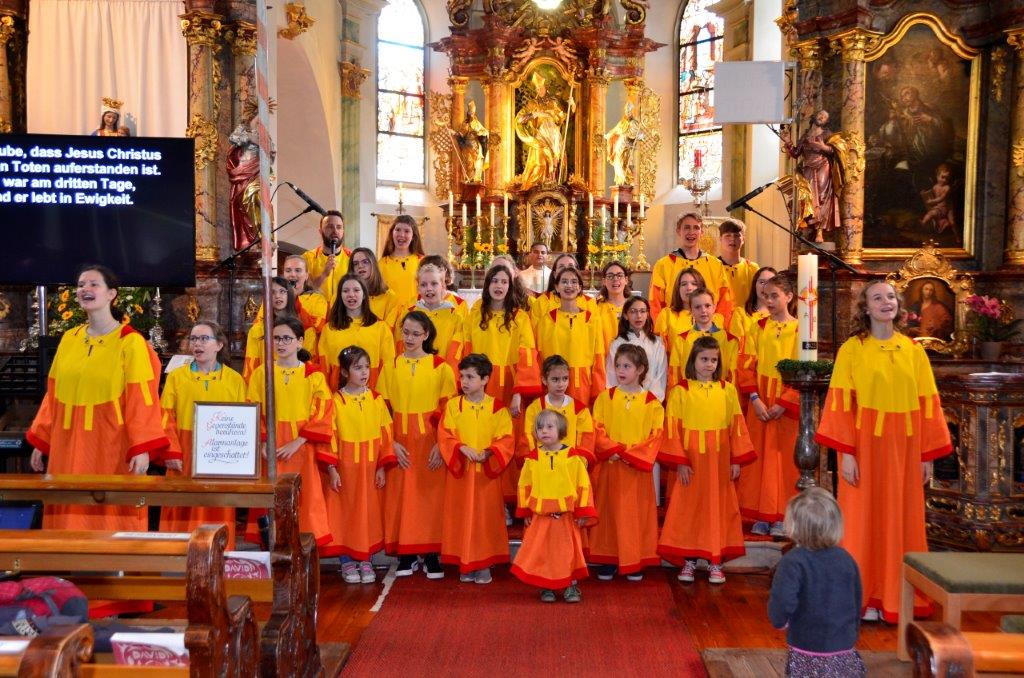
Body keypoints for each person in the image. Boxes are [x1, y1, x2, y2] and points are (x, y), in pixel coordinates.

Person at [816, 280, 951, 623]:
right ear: (865, 308)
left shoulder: (913, 350)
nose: (886, 302)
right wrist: (847, 453)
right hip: (863, 448)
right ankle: (863, 594)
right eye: (877, 298)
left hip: (905, 449)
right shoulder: (852, 349)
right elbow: (840, 402)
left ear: (899, 305)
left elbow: (929, 405)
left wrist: (926, 456)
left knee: (900, 521)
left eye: (890, 296)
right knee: (861, 521)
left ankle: (895, 596)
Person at [27, 264, 169, 530]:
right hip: (67, 443)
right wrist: (42, 439)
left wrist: (142, 447)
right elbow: (53, 394)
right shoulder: (69, 338)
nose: (85, 289)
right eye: (81, 285)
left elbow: (142, 398)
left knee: (109, 514)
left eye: (94, 284)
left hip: (110, 444)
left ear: (111, 294)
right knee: (67, 510)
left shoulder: (130, 342)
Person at [658, 336, 755, 584]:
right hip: (690, 464)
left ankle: (715, 561)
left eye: (714, 360)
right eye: (704, 359)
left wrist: (736, 460)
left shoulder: (727, 390)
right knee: (689, 509)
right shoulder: (680, 391)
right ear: (693, 360)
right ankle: (688, 560)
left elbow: (737, 426)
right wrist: (680, 462)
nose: (709, 364)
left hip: (718, 462)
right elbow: (671, 430)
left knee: (716, 509)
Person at [378, 311, 457, 579]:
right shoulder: (391, 366)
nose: (409, 338)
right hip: (400, 440)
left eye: (415, 333)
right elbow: (382, 409)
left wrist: (441, 444)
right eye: (406, 333)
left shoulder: (441, 367)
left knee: (430, 497)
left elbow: (449, 410)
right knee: (402, 497)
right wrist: (390, 443)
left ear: (426, 335)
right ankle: (407, 554)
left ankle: (432, 553)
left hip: (430, 441)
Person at [245, 316, 334, 549]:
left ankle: (302, 551)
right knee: (272, 498)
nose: (281, 343)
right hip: (271, 447)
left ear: (300, 342)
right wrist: (263, 441)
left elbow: (323, 411)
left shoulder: (313, 375)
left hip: (302, 447)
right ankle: (273, 551)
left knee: (304, 497)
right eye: (276, 338)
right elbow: (254, 408)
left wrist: (299, 441)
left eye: (287, 338)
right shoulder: (261, 373)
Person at [160, 321, 246, 544]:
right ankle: (176, 555)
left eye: (204, 339)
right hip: (184, 451)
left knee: (217, 506)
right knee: (181, 506)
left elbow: (242, 423)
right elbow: (165, 417)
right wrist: (172, 452)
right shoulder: (177, 377)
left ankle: (218, 551)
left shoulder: (234, 380)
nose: (197, 344)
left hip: (220, 457)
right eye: (194, 339)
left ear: (219, 345)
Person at [768, 488, 866, 676]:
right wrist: (852, 632)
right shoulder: (846, 559)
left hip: (806, 648)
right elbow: (856, 599)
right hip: (843, 648)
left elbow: (782, 600)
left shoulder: (792, 561)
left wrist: (779, 621)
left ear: (793, 525)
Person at [587, 344, 663, 581]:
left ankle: (635, 558)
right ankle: (608, 558)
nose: (620, 370)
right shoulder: (605, 398)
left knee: (634, 515)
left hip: (636, 470)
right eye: (618, 365)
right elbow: (596, 428)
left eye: (627, 366)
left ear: (640, 369)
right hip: (612, 466)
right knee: (608, 512)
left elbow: (656, 435)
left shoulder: (652, 403)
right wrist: (612, 450)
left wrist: (632, 455)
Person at [438, 354, 515, 584]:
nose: (464, 381)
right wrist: (461, 448)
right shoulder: (453, 406)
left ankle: (483, 565)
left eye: (470, 377)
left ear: (485, 379)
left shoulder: (498, 408)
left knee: (485, 519)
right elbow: (445, 434)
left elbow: (506, 438)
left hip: (485, 476)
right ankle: (465, 562)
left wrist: (489, 452)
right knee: (462, 517)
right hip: (461, 474)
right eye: (462, 376)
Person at [736, 275, 801, 537]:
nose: (769, 301)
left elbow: (802, 368)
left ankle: (782, 514)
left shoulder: (800, 329)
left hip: (786, 402)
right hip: (761, 401)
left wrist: (785, 402)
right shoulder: (757, 327)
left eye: (775, 296)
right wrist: (755, 399)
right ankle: (760, 513)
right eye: (766, 296)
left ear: (789, 297)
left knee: (783, 460)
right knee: (759, 459)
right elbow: (745, 365)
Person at [511, 410, 597, 603]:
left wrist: (582, 512)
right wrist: (525, 511)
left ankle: (571, 586)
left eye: (549, 427)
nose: (544, 431)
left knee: (567, 552)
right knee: (544, 552)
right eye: (539, 427)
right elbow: (524, 486)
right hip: (541, 517)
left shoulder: (573, 457)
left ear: (561, 430)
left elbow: (583, 485)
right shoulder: (532, 459)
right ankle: (546, 586)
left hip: (566, 517)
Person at [322, 345, 389, 585]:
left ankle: (365, 558)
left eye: (366, 367)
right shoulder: (335, 401)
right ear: (344, 372)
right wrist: (332, 469)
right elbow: (329, 436)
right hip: (345, 467)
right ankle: (346, 559)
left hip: (369, 467)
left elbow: (386, 434)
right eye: (357, 367)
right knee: (345, 512)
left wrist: (381, 466)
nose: (364, 372)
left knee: (366, 512)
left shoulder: (376, 399)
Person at [535, 267, 606, 406]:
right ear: (557, 287)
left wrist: (597, 391)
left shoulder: (591, 320)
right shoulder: (547, 320)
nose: (569, 286)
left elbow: (599, 358)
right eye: (564, 281)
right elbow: (540, 357)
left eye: (574, 282)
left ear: (580, 288)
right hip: (554, 383)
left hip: (583, 383)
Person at [648, 212, 732, 321]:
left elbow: (724, 302)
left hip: (709, 326)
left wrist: (718, 326)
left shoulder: (715, 264)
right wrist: (661, 327)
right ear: (678, 231)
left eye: (696, 228)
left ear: (702, 232)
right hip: (674, 326)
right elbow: (655, 303)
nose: (691, 232)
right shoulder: (663, 265)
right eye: (687, 227)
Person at [318, 275, 394, 391]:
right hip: (338, 397)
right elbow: (324, 369)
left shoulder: (381, 328)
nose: (351, 294)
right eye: (345, 291)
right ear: (340, 296)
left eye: (356, 290)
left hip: (371, 396)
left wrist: (379, 398)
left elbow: (388, 369)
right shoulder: (329, 329)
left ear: (364, 295)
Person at [782, 110, 841, 242]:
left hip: (823, 166)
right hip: (808, 168)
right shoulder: (805, 136)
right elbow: (795, 153)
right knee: (808, 198)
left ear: (826, 121)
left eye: (825, 117)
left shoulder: (827, 134)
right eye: (821, 114)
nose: (822, 117)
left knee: (822, 197)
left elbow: (836, 151)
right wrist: (788, 142)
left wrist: (823, 147)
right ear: (815, 116)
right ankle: (808, 227)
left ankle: (819, 231)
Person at [521, 355, 595, 459]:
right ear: (544, 380)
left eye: (565, 379)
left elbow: (586, 439)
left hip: (569, 464)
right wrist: (533, 461)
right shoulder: (534, 408)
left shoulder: (579, 409)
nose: (561, 384)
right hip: (542, 464)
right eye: (555, 379)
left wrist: (579, 462)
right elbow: (528, 438)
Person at [668, 288, 740, 388]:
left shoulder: (730, 340)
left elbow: (733, 377)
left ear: (714, 307)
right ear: (691, 310)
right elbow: (674, 376)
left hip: (719, 394)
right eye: (697, 307)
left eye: (707, 306)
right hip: (689, 394)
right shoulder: (682, 340)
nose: (703, 311)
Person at [397, 262, 463, 368]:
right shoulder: (409, 315)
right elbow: (401, 347)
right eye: (423, 285)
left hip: (442, 371)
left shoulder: (455, 318)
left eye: (434, 283)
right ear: (418, 288)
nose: (429, 288)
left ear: (442, 286)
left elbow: (455, 354)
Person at [514, 71, 573, 189]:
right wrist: (534, 114)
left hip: (554, 134)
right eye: (537, 89)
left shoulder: (553, 102)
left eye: (541, 88)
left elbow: (563, 118)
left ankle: (554, 184)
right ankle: (537, 186)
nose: (539, 90)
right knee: (540, 161)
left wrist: (572, 106)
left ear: (545, 88)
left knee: (555, 158)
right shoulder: (532, 104)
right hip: (541, 135)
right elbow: (520, 119)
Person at [243, 276, 304, 383]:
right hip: (266, 384)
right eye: (272, 292)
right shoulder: (257, 330)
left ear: (289, 295)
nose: (277, 296)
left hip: (296, 384)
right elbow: (250, 368)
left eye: (282, 291)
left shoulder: (300, 327)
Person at [606, 297, 667, 401]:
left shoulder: (657, 343)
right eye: (633, 311)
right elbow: (612, 377)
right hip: (623, 400)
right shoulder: (617, 344)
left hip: (650, 401)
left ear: (647, 314)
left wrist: (651, 401)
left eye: (642, 311)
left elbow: (660, 375)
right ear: (625, 315)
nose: (638, 316)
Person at [303, 211, 352, 308]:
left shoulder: (352, 258)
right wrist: (324, 274)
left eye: (339, 227)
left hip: (344, 312)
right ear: (320, 231)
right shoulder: (307, 258)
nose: (335, 231)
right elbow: (304, 292)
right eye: (330, 227)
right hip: (316, 313)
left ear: (343, 231)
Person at [717, 219, 759, 326]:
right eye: (728, 235)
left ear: (743, 239)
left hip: (746, 324)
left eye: (736, 235)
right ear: (720, 239)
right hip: (718, 325)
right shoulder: (712, 267)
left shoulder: (752, 268)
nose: (732, 239)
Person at [379, 214, 426, 309]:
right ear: (392, 233)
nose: (401, 234)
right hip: (390, 315)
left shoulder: (422, 262)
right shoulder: (382, 263)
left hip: (416, 315)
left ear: (413, 236)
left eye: (407, 231)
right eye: (398, 230)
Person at [348, 247, 402, 328]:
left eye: (365, 262)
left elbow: (388, 330)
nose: (360, 266)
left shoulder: (390, 297)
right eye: (355, 264)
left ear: (373, 265)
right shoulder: (343, 296)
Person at [729, 266, 777, 347]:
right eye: (762, 282)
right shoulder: (740, 313)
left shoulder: (782, 315)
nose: (765, 287)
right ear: (755, 285)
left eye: (771, 283)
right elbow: (735, 347)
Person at [593, 261, 632, 348]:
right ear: (604, 281)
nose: (615, 279)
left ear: (626, 280)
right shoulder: (595, 306)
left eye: (619, 275)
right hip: (603, 354)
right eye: (610, 276)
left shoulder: (633, 306)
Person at [605, 100, 644, 186]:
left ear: (631, 111)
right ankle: (620, 179)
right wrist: (607, 136)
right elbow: (614, 131)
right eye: (626, 111)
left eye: (629, 111)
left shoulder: (634, 123)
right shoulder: (622, 122)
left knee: (626, 162)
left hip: (627, 146)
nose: (627, 112)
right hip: (620, 145)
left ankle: (627, 179)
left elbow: (640, 134)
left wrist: (639, 135)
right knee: (617, 161)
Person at [454, 99, 489, 184]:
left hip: (476, 147)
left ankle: (476, 178)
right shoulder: (465, 123)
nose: (471, 115)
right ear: (468, 114)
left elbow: (485, 131)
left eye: (472, 113)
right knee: (469, 163)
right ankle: (469, 179)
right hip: (467, 147)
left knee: (477, 163)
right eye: (470, 113)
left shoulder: (477, 123)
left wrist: (480, 133)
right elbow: (461, 133)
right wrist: (454, 133)